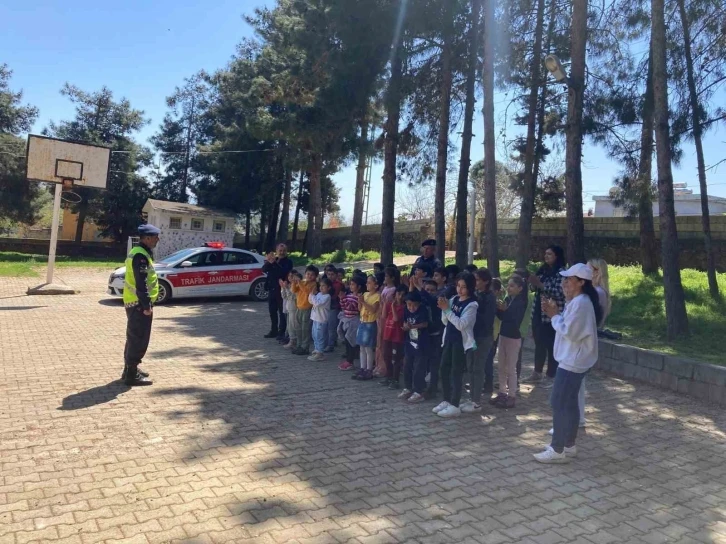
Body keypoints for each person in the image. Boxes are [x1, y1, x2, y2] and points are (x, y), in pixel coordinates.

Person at [534, 263, 602, 463]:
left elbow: (570, 332)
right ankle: (569, 445)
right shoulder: (578, 301)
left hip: (573, 361)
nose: (564, 283)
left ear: (582, 282)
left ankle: (557, 450)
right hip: (573, 359)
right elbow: (569, 325)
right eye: (564, 279)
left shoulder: (581, 303)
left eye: (569, 280)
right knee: (570, 403)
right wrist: (556, 312)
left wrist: (554, 316)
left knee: (558, 402)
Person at [433, 272, 479, 418]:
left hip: (461, 343)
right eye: (458, 286)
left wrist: (447, 309)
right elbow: (445, 321)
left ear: (470, 288)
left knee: (456, 373)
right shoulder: (454, 299)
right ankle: (446, 399)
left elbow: (461, 325)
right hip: (448, 340)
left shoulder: (472, 305)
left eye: (464, 287)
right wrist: (444, 308)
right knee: (443, 369)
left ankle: (455, 403)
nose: (460, 290)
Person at [122, 224, 161, 386]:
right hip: (139, 304)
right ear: (147, 238)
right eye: (155, 237)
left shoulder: (140, 253)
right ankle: (131, 375)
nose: (157, 239)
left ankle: (129, 370)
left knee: (133, 337)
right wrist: (146, 306)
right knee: (138, 338)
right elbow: (141, 282)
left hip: (135, 302)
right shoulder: (140, 256)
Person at [523, 245, 566, 387]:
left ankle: (551, 375)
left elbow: (559, 292)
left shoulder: (561, 272)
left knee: (551, 345)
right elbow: (533, 288)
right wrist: (532, 282)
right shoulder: (543, 270)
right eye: (545, 253)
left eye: (550, 254)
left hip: (552, 314)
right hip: (538, 312)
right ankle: (537, 372)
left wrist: (540, 285)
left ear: (557, 256)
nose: (546, 256)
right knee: (539, 343)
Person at [460, 268, 495, 413]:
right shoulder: (475, 295)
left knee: (478, 368)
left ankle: (476, 401)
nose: (476, 283)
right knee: (471, 367)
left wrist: (473, 313)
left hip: (483, 337)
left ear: (486, 281)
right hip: (471, 336)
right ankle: (471, 397)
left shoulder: (489, 297)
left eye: (478, 280)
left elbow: (486, 320)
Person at [491, 276, 528, 409]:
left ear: (520, 288)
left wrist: (505, 310)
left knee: (511, 367)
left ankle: (512, 395)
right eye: (508, 285)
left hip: (514, 337)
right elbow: (502, 317)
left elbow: (514, 319)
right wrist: (500, 308)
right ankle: (502, 392)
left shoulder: (521, 302)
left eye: (512, 286)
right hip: (503, 334)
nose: (509, 288)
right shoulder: (508, 298)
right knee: (501, 365)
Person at [399, 290, 430, 403]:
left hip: (421, 343)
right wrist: (406, 326)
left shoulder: (423, 310)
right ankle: (408, 387)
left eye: (413, 305)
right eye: (408, 304)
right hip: (409, 341)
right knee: (407, 365)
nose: (411, 307)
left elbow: (425, 324)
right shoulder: (405, 310)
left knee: (418, 368)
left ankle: (419, 391)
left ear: (418, 304)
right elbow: (404, 322)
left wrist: (412, 326)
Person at [262, 243, 294, 340]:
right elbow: (264, 269)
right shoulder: (274, 260)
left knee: (282, 312)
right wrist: (269, 262)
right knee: (272, 311)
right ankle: (273, 330)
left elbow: (283, 272)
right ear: (276, 251)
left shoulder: (288, 262)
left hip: (282, 290)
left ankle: (281, 332)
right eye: (280, 250)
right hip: (272, 289)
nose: (282, 252)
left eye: (284, 250)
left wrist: (274, 263)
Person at [352, 275, 381, 381]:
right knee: (361, 347)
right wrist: (360, 301)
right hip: (362, 321)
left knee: (368, 348)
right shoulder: (365, 294)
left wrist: (363, 302)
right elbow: (360, 309)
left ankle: (369, 369)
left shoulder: (377, 296)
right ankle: (362, 368)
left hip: (370, 323)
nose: (367, 284)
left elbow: (373, 309)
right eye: (367, 282)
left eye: (369, 283)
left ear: (376, 285)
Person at [375, 266, 400, 377]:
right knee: (379, 342)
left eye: (386, 276)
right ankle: (378, 364)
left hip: (387, 317)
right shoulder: (384, 288)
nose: (384, 278)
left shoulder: (393, 290)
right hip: (380, 316)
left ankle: (384, 367)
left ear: (392, 278)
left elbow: (388, 304)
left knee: (384, 342)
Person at [380, 284, 407, 388]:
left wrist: (392, 307)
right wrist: (385, 303)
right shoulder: (389, 304)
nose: (400, 297)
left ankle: (395, 380)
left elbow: (396, 319)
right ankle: (389, 377)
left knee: (396, 359)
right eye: (398, 294)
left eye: (402, 295)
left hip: (397, 337)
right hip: (388, 335)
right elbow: (383, 316)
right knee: (386, 356)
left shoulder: (404, 307)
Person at [338, 275, 365, 370]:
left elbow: (351, 307)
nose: (351, 286)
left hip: (354, 321)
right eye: (350, 284)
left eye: (353, 284)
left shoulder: (359, 297)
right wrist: (342, 299)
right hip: (346, 320)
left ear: (359, 287)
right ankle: (348, 359)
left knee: (351, 341)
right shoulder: (348, 295)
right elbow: (343, 306)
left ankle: (350, 361)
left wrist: (343, 299)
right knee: (346, 340)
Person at [291, 265, 319, 356]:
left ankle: (305, 347)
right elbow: (293, 290)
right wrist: (293, 282)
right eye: (308, 274)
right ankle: (299, 345)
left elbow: (307, 291)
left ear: (315, 276)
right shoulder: (302, 282)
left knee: (305, 329)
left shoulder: (314, 284)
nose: (309, 276)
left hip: (307, 309)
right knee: (298, 329)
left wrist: (299, 282)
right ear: (305, 274)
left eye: (312, 275)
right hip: (299, 308)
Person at [484, 278, 503, 394]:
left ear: (497, 291)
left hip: (493, 336)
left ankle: (488, 385)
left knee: (488, 361)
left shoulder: (497, 303)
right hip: (488, 335)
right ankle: (485, 383)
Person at [308, 277, 332, 361]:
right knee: (314, 335)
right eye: (320, 285)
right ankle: (316, 349)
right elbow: (311, 301)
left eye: (324, 286)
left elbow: (317, 303)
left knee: (320, 336)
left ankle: (320, 352)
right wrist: (312, 295)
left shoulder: (327, 297)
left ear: (328, 288)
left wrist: (311, 295)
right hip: (315, 318)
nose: (321, 287)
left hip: (321, 320)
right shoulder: (319, 294)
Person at [324, 266, 343, 353]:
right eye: (328, 274)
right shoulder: (325, 283)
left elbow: (334, 296)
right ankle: (332, 341)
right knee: (328, 326)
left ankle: (330, 344)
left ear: (336, 275)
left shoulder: (338, 285)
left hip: (334, 307)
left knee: (331, 327)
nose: (330, 276)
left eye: (332, 274)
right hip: (327, 307)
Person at [281, 271, 300, 349]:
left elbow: (293, 296)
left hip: (294, 307)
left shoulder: (297, 285)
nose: (290, 277)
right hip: (289, 307)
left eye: (292, 276)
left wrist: (286, 288)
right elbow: (284, 297)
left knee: (293, 325)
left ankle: (294, 340)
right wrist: (283, 288)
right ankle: (291, 339)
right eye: (289, 276)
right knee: (289, 325)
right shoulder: (288, 285)